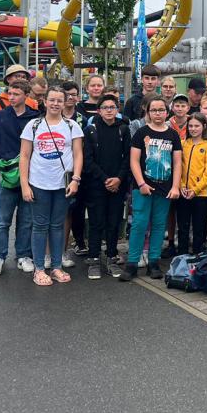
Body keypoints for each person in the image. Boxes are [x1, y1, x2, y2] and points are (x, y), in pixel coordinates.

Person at [19, 86, 84, 286]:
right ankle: (39, 269)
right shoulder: (33, 125)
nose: (55, 104)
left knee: (57, 226)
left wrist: (76, 179)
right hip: (39, 183)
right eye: (52, 100)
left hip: (62, 184)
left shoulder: (72, 126)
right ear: (45, 102)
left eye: (59, 100)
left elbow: (78, 154)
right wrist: (24, 185)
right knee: (39, 226)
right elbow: (24, 156)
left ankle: (56, 266)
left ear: (65, 103)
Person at [122, 96, 181, 281]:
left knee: (159, 224)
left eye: (161, 110)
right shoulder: (141, 133)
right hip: (143, 187)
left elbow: (177, 162)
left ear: (167, 112)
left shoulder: (173, 135)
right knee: (139, 224)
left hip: (165, 188)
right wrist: (141, 183)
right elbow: (133, 160)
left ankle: (153, 262)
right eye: (154, 110)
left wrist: (175, 186)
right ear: (147, 112)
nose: (158, 113)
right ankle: (132, 263)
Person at [0, 80, 39, 276]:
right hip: (7, 174)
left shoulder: (35, 118)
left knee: (27, 219)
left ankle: (24, 255)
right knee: (2, 220)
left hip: (30, 175)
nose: (11, 97)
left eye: (16, 94)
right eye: (10, 93)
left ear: (26, 95)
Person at [82, 93, 131, 280]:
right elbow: (88, 160)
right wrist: (105, 179)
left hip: (118, 185)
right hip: (96, 185)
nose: (109, 111)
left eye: (112, 107)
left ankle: (111, 257)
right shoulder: (91, 130)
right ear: (99, 111)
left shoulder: (123, 129)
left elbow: (128, 158)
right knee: (96, 223)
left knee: (114, 223)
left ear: (117, 110)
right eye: (105, 107)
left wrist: (118, 179)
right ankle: (94, 259)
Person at [0, 64, 34, 200]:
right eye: (17, 76)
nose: (20, 79)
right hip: (3, 161)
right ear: (8, 79)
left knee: (28, 200)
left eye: (23, 77)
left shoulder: (32, 103)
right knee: (2, 201)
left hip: (28, 160)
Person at [176, 113, 207, 254]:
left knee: (199, 227)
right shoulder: (183, 144)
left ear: (204, 126)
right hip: (183, 192)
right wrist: (181, 186)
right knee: (183, 227)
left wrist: (196, 189)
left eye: (196, 126)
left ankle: (198, 255)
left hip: (200, 194)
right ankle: (182, 255)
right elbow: (178, 168)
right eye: (191, 126)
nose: (193, 129)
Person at [60, 80, 87, 264]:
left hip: (76, 170)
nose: (70, 97)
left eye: (74, 94)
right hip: (53, 169)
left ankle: (64, 250)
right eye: (67, 94)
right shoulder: (50, 116)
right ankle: (47, 253)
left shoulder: (82, 119)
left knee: (71, 210)